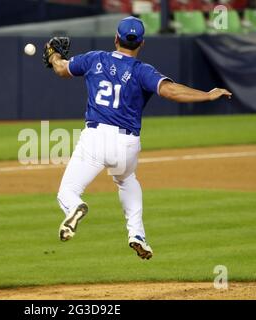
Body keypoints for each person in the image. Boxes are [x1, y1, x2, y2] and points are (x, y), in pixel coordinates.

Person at [43, 16, 232, 260]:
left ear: (115, 38)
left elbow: (60, 69)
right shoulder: (143, 71)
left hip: (95, 138)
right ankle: (137, 235)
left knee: (67, 192)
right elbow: (171, 91)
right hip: (127, 144)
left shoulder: (94, 59)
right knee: (126, 179)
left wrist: (53, 55)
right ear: (141, 43)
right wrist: (207, 95)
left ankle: (74, 207)